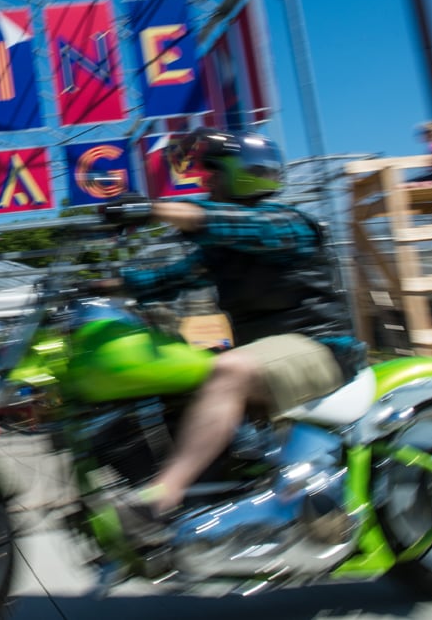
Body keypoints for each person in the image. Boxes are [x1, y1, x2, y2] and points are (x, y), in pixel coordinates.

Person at [97, 128, 365, 541]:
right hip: (274, 355)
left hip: (321, 349)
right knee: (176, 380)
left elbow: (227, 223)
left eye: (215, 173)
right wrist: (102, 286)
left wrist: (150, 209)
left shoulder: (287, 222)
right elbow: (167, 279)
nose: (208, 182)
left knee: (229, 369)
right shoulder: (221, 249)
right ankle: (210, 499)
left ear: (244, 173)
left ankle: (162, 498)